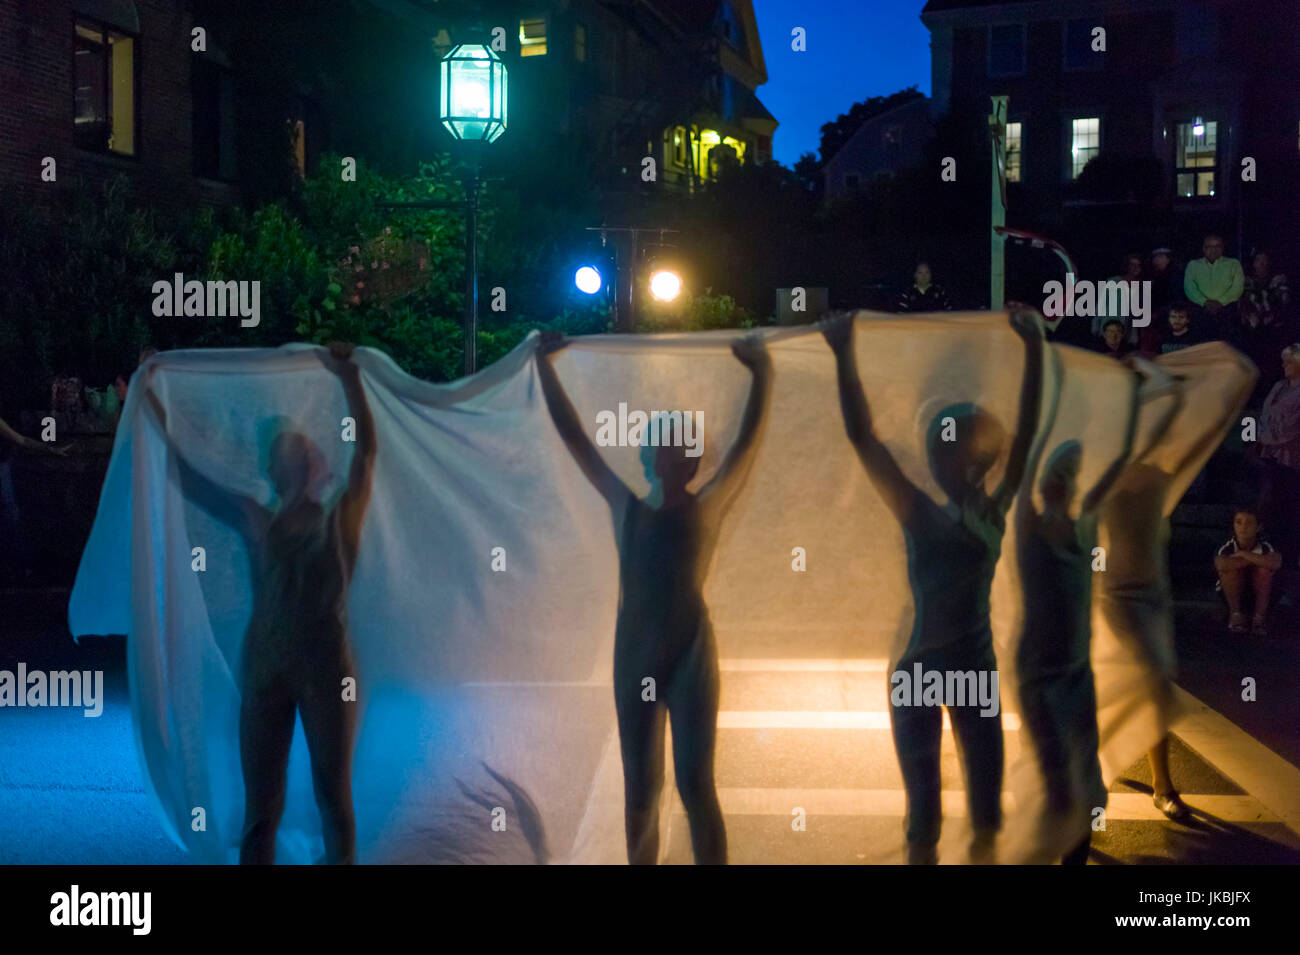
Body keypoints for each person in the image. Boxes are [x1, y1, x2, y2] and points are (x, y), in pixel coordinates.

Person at [534, 329, 773, 865]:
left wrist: (762, 375)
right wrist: (545, 370)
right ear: (650, 455)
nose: (676, 454)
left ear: (693, 460)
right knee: (642, 787)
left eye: (684, 447)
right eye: (668, 444)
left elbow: (745, 445)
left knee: (694, 783)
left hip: (690, 654)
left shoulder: (706, 506)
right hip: (638, 654)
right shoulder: (626, 505)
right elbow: (574, 438)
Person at [822, 307, 1045, 864]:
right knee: (957, 816)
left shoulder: (933, 511)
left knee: (956, 814)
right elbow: (862, 436)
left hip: (927, 669)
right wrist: (1034, 345)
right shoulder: (970, 512)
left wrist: (841, 349)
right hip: (955, 669)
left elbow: (862, 436)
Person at [143, 342, 377, 864]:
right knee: (260, 810)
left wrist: (349, 378)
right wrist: (151, 403)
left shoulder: (340, 520)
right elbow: (188, 476)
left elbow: (366, 455)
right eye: (282, 452)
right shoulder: (256, 518)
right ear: (272, 468)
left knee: (332, 799)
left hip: (324, 667)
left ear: (315, 464)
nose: (292, 456)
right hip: (266, 669)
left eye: (301, 449)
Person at [1016, 381, 1136, 865]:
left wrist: (1127, 395)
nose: (1058, 483)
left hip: (1067, 670)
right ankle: (1065, 847)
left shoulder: (1082, 525)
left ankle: (1073, 853)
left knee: (1081, 776)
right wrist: (1047, 378)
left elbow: (1121, 455)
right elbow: (1029, 447)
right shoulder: (1036, 528)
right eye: (1059, 474)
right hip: (1043, 673)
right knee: (1059, 775)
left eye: (1066, 474)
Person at [1258, 344, 1300, 564]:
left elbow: (1293, 427)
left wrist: (1268, 438)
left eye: (1289, 361)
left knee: (1290, 508)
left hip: (1292, 458)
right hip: (1271, 456)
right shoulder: (1279, 386)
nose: (1284, 365)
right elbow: (1266, 416)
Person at [1213, 506, 1281, 636]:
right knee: (1230, 570)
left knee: (1264, 570)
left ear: (1258, 527)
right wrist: (1256, 559)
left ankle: (1259, 618)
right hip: (1232, 592)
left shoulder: (1265, 545)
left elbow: (1275, 562)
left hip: (1261, 593)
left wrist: (1244, 554)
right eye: (1238, 522)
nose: (1243, 527)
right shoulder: (1227, 546)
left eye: (1249, 523)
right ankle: (1235, 616)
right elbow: (1221, 564)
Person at [1184, 234, 1243, 333]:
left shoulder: (1233, 264)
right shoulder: (1193, 265)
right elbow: (1189, 288)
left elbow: (1237, 287)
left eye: (1217, 246)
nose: (1213, 250)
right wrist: (1205, 302)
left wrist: (1220, 302)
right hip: (1200, 312)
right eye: (1209, 247)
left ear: (1222, 248)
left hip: (1227, 313)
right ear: (1203, 248)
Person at [1093, 253, 1145, 340]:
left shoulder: (1141, 287)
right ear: (1127, 266)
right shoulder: (1113, 281)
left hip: (1128, 333)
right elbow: (1101, 306)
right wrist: (1095, 327)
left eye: (1138, 265)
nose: (1136, 268)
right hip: (1108, 329)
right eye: (1132, 265)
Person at [1140, 301, 1211, 357]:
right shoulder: (1162, 337)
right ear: (1169, 319)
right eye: (1173, 317)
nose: (1177, 320)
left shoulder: (1196, 339)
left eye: (1181, 317)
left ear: (1188, 320)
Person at [1148, 247, 1180, 317]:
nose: (1155, 261)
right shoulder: (1156, 276)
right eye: (1154, 258)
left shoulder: (1174, 276)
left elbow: (1173, 299)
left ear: (1168, 259)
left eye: (1159, 257)